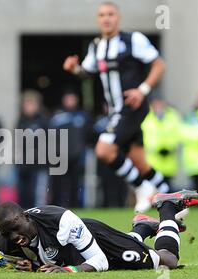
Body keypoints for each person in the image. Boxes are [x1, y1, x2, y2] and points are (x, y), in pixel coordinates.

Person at [63, 2, 169, 213]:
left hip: (131, 107)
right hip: (115, 111)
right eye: (102, 15)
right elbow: (87, 72)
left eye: (110, 14)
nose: (106, 18)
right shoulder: (97, 46)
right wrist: (74, 69)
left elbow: (159, 64)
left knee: (104, 150)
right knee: (139, 160)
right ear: (98, 19)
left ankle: (142, 187)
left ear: (118, 17)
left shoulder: (133, 39)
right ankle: (171, 197)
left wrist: (142, 90)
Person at [0, 190, 198, 273]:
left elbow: (99, 261)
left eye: (14, 229)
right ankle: (143, 226)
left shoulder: (61, 221)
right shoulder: (4, 244)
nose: (13, 237)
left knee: (168, 261)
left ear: (27, 218)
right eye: (6, 232)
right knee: (121, 265)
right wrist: (32, 265)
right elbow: (37, 259)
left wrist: (69, 272)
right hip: (72, 250)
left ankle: (167, 206)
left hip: (96, 238)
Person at [49, 90, 91, 208]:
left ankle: (74, 207)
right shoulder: (56, 116)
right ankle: (55, 208)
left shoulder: (82, 116)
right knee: (57, 185)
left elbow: (88, 135)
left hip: (76, 157)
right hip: (58, 157)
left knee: (75, 184)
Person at [15, 90, 50, 208]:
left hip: (39, 165)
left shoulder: (44, 121)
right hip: (24, 165)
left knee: (38, 195)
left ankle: (39, 219)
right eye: (26, 104)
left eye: (31, 104)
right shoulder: (21, 122)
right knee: (24, 194)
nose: (28, 107)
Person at [142, 98, 182, 189]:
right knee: (152, 187)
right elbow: (145, 136)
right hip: (152, 159)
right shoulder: (147, 117)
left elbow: (177, 134)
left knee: (167, 187)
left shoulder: (172, 116)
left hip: (168, 160)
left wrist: (169, 147)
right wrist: (156, 148)